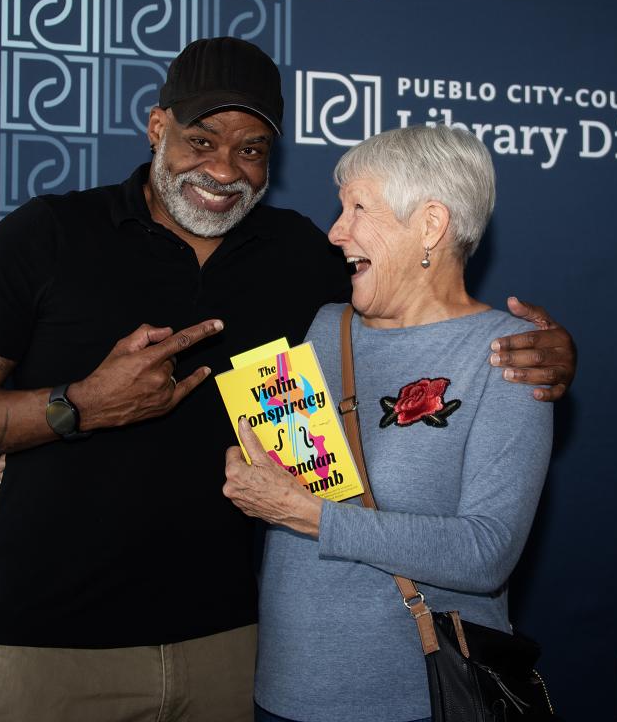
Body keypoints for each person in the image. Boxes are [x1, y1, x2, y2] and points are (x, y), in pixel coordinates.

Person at [0, 37, 575, 721]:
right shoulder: (49, 234)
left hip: (227, 651)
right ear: (157, 127)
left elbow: (422, 309)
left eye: (251, 149)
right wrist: (75, 405)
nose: (224, 168)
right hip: (49, 649)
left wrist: (547, 352)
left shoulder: (304, 261)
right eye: (201, 140)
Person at [221, 124, 553, 722]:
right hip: (283, 693)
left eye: (358, 208)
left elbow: (486, 553)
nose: (335, 231)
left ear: (430, 225)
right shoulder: (323, 326)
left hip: (418, 700)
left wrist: (308, 516)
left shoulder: (508, 356)